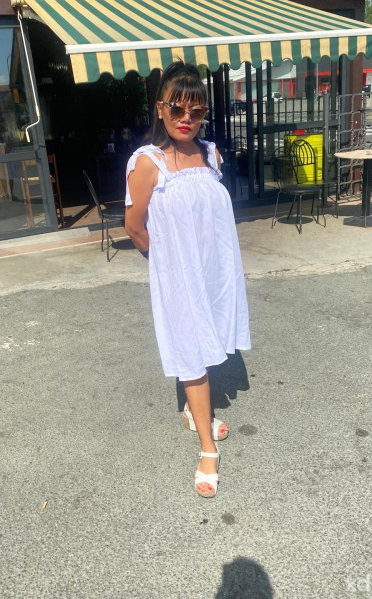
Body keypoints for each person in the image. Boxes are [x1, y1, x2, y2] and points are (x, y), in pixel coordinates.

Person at [125, 62, 251, 498]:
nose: (186, 119)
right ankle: (207, 448)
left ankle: (194, 412)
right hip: (177, 275)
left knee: (204, 339)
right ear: (160, 108)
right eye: (177, 108)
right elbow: (134, 227)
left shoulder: (212, 155)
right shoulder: (147, 163)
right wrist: (167, 265)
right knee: (191, 349)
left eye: (196, 112)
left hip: (215, 271)